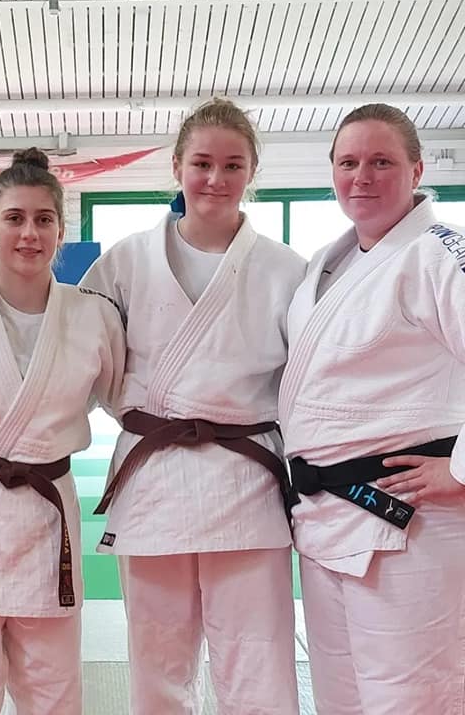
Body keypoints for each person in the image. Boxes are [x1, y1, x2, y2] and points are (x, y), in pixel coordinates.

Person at [80, 97, 305, 715]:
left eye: (233, 165)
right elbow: (82, 358)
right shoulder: (125, 260)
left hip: (246, 481)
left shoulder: (287, 270)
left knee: (257, 658)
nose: (215, 178)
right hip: (154, 479)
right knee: (157, 657)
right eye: (202, 163)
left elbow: (310, 381)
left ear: (252, 172)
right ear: (177, 166)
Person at [0, 148, 126, 715]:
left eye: (43, 219)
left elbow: (118, 397)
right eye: (14, 218)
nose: (29, 233)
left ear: (61, 231)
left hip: (46, 514)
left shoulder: (94, 315)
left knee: (54, 693)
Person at [281, 103, 465, 714]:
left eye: (381, 162)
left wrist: (460, 471)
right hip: (324, 515)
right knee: (342, 694)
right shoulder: (327, 265)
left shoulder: (440, 253)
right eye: (348, 162)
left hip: (409, 517)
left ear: (417, 170)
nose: (362, 176)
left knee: (411, 695)